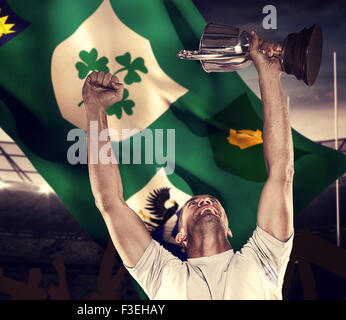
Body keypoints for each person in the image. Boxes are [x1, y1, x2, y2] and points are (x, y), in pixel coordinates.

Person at [81, 30, 294, 300]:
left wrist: (269, 74)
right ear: (179, 236)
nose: (205, 201)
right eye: (193, 204)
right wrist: (94, 108)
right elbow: (109, 202)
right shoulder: (159, 273)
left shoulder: (265, 256)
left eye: (209, 201)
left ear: (229, 228)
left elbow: (282, 172)